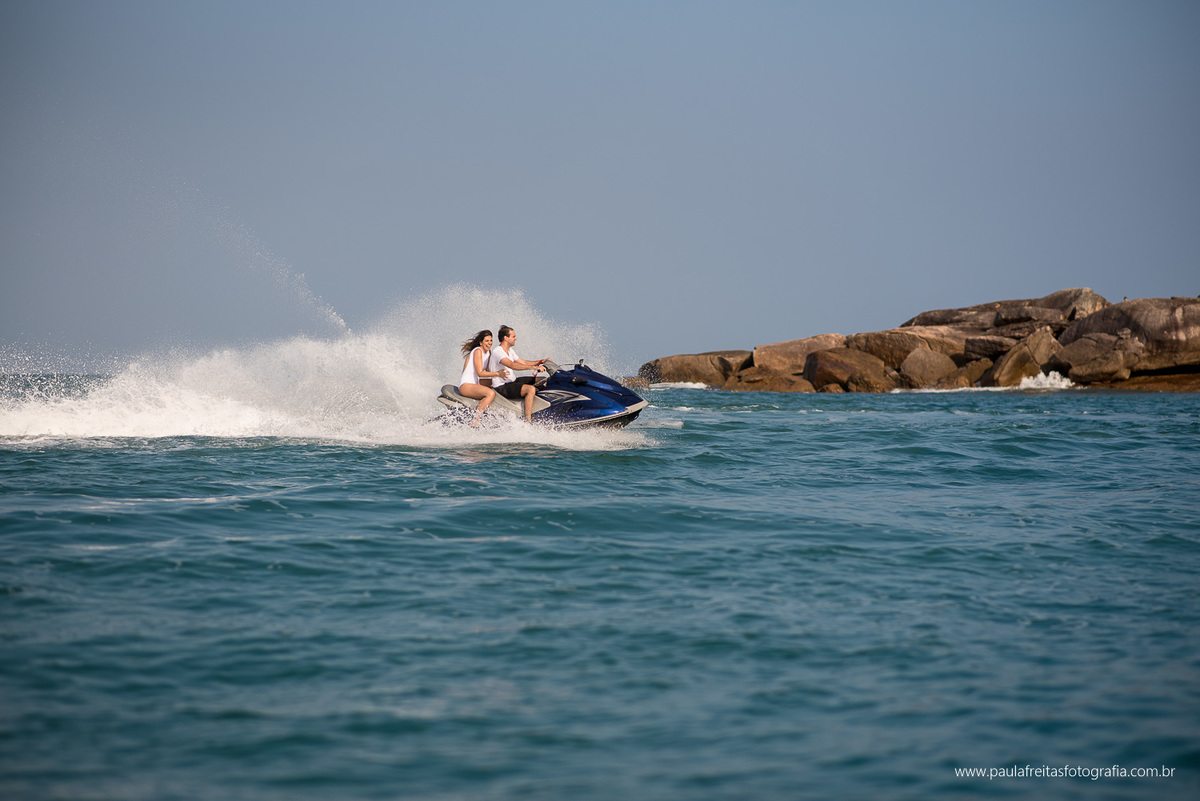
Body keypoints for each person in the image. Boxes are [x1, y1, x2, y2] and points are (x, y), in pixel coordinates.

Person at [489, 325, 549, 423]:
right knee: (530, 389)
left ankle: (543, 407)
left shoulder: (509, 350)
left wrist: (541, 361)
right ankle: (528, 421)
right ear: (505, 338)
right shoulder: (497, 351)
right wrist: (535, 367)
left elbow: (523, 362)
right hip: (501, 387)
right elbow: (513, 365)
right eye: (513, 336)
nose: (516, 338)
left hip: (512, 381)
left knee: (542, 379)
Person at [459, 330, 506, 427]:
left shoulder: (488, 353)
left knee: (497, 382)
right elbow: (480, 373)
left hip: (475, 383)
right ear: (481, 342)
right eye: (487, 341)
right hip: (466, 385)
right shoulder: (478, 351)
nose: (489, 343)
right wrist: (498, 373)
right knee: (490, 393)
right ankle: (475, 420)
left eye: (491, 340)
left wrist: (505, 369)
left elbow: (489, 370)